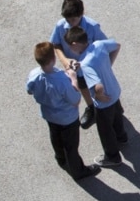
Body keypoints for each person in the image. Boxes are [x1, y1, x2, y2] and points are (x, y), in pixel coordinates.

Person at [26, 42, 100, 180]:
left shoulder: (34, 75)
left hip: (49, 115)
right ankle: (78, 171)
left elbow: (29, 90)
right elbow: (75, 99)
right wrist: (73, 78)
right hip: (67, 119)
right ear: (53, 59)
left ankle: (60, 158)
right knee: (71, 146)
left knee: (55, 136)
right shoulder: (62, 80)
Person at [64, 26, 128, 167]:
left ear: (75, 44)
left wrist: (99, 96)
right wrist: (108, 65)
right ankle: (122, 137)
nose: (70, 50)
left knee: (105, 129)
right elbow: (117, 46)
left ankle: (112, 156)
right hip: (115, 90)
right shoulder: (99, 45)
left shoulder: (86, 64)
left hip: (105, 102)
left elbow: (98, 86)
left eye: (70, 47)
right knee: (117, 115)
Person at [50, 0, 108, 97]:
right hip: (75, 69)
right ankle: (90, 107)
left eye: (73, 20)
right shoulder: (60, 26)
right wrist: (64, 60)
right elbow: (56, 44)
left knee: (99, 91)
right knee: (83, 87)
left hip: (91, 69)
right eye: (68, 20)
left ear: (81, 14)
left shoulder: (92, 27)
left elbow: (104, 46)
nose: (71, 23)